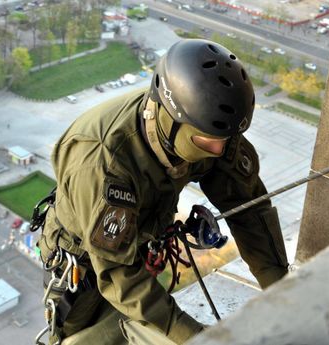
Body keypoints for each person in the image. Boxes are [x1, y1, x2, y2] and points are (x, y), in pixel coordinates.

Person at [37, 39, 289, 345]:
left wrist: (283, 294)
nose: (220, 150)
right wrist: (195, 336)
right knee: (82, 338)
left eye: (225, 139)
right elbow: (118, 274)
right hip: (83, 261)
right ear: (171, 123)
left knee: (142, 316)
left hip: (140, 236)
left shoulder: (211, 127)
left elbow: (250, 209)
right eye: (207, 143)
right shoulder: (105, 160)